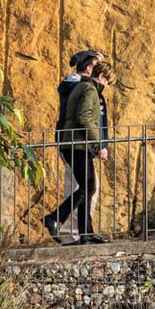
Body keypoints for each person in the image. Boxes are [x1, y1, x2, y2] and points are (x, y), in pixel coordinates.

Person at [43, 57, 114, 244]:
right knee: (89, 187)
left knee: (87, 188)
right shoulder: (89, 90)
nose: (107, 86)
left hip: (77, 145)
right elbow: (84, 118)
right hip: (78, 145)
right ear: (100, 76)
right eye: (107, 82)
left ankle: (86, 234)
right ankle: (54, 218)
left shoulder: (84, 87)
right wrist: (98, 143)